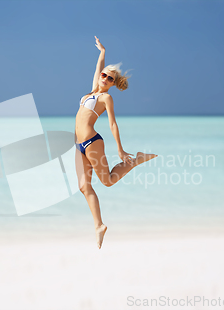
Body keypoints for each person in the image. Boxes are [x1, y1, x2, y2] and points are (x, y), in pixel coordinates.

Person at [75, 36, 157, 249]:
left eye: (109, 78)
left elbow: (112, 124)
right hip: (78, 145)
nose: (104, 78)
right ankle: (99, 226)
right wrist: (102, 51)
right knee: (84, 187)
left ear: (113, 83)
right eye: (104, 75)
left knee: (108, 181)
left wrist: (120, 150)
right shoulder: (93, 91)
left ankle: (134, 160)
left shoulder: (106, 98)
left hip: (92, 141)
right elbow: (98, 67)